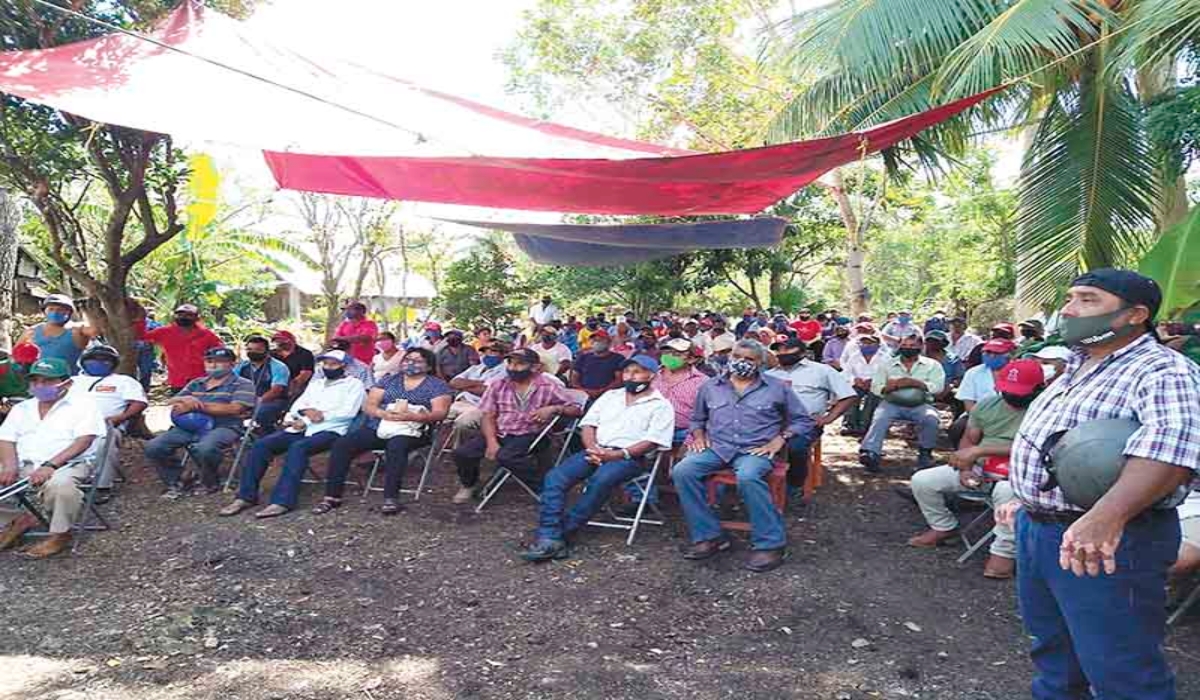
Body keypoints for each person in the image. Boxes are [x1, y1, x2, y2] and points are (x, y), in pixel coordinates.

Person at [995, 268, 1200, 700]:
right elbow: (1049, 441)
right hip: (1044, 530)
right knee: (1055, 656)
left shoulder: (1163, 370)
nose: (1069, 309)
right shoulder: (1074, 366)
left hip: (1111, 539)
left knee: (1120, 670)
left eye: (1088, 300)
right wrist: (1022, 494)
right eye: (1070, 298)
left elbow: (1171, 452)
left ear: (1134, 314)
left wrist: (1106, 517)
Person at [672, 339, 812, 573]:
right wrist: (698, 435)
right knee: (683, 471)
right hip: (718, 447)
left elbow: (802, 420)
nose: (741, 362)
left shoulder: (777, 387)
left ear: (761, 362)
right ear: (729, 357)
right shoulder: (711, 386)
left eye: (749, 359)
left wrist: (780, 439)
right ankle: (709, 535)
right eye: (737, 356)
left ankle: (770, 544)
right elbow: (697, 419)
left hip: (755, 449)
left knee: (748, 476)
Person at [520, 354, 675, 561]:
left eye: (637, 372)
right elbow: (588, 424)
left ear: (652, 376)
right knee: (555, 478)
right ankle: (550, 535)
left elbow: (652, 441)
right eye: (628, 371)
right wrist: (593, 448)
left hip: (628, 457)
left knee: (600, 480)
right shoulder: (611, 396)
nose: (631, 376)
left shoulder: (660, 405)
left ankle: (561, 533)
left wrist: (617, 454)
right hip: (595, 450)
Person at [907, 359, 1045, 579]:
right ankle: (944, 526)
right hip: (982, 467)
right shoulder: (987, 405)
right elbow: (968, 441)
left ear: (1040, 389)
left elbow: (1034, 447)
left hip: (1021, 473)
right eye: (1008, 390)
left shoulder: (1045, 411)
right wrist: (965, 468)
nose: (1013, 396)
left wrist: (979, 451)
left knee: (1006, 494)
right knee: (923, 481)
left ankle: (1003, 553)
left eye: (1019, 391)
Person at [220, 350, 365, 519]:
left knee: (298, 448)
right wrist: (301, 415)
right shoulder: (317, 383)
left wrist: (311, 418)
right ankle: (245, 496)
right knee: (262, 445)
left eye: (333, 364)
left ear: (344, 366)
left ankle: (282, 501)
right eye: (325, 363)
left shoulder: (354, 385)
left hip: (331, 430)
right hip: (300, 427)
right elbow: (299, 405)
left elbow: (347, 412)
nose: (327, 367)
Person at [313, 348, 453, 516]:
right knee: (343, 444)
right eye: (408, 359)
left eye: (417, 361)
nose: (410, 363)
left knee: (397, 445)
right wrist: (383, 413)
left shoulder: (437, 386)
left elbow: (440, 413)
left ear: (429, 366)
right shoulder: (388, 381)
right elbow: (369, 405)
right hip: (380, 426)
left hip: (413, 429)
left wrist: (414, 416)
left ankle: (391, 498)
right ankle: (332, 496)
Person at [0, 358, 107, 558]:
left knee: (60, 485)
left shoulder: (83, 406)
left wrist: (51, 465)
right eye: (35, 381)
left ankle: (60, 534)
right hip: (25, 462)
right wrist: (9, 465)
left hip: (68, 463)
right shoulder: (22, 408)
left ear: (67, 383)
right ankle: (17, 520)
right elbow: (6, 438)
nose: (40, 386)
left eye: (47, 381)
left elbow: (83, 441)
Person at [451, 348, 584, 504]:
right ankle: (469, 484)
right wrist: (492, 442)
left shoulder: (548, 386)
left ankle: (546, 488)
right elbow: (488, 415)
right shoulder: (497, 385)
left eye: (520, 364)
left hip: (532, 433)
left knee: (507, 456)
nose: (512, 368)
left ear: (535, 367)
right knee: (462, 453)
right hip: (501, 432)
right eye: (510, 363)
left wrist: (554, 408)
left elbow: (576, 409)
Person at [144, 347, 256, 499]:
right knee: (154, 446)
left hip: (224, 426)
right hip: (189, 426)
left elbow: (235, 408)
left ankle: (209, 481)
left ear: (232, 364)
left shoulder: (243, 383)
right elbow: (173, 400)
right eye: (209, 361)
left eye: (220, 362)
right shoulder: (197, 382)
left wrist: (198, 406)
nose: (213, 365)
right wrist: (184, 401)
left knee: (205, 448)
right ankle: (179, 478)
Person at [767, 338, 856, 500]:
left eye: (787, 351)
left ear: (801, 353)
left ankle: (794, 486)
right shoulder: (769, 375)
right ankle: (762, 482)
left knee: (796, 447)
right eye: (779, 351)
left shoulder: (821, 370)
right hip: (772, 424)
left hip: (807, 423)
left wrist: (829, 418)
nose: (782, 354)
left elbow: (848, 395)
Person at [859, 334, 945, 473]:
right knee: (880, 417)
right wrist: (889, 387)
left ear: (921, 347)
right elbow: (875, 386)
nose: (908, 349)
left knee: (931, 418)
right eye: (904, 346)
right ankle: (870, 452)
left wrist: (916, 383)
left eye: (912, 346)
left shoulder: (932, 365)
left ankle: (925, 452)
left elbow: (938, 387)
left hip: (920, 404)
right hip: (892, 403)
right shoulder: (887, 364)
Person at [67, 344, 148, 488]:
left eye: (105, 360)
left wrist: (121, 418)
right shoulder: (72, 381)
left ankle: (102, 486)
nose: (99, 362)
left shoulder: (124, 381)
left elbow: (139, 403)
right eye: (94, 359)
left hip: (108, 425)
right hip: (72, 424)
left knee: (105, 442)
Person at [142, 303, 224, 393]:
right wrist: (138, 319)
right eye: (180, 314)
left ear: (196, 318)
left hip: (202, 379)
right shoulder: (164, 332)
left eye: (188, 315)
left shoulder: (206, 334)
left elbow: (221, 352)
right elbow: (141, 336)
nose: (183, 317)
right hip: (178, 380)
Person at [447, 340, 511, 433]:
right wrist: (479, 382)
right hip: (462, 401)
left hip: (481, 406)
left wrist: (463, 385)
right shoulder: (476, 368)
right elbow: (453, 382)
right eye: (486, 351)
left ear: (502, 354)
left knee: (463, 423)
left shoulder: (505, 371)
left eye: (493, 352)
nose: (488, 354)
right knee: (441, 414)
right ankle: (437, 446)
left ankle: (460, 447)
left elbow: (486, 391)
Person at [17, 294, 96, 369]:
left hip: (68, 379)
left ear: (69, 312)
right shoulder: (32, 331)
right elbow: (16, 355)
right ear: (45, 311)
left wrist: (89, 309)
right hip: (37, 379)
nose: (55, 312)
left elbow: (96, 330)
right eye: (51, 309)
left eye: (60, 310)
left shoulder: (78, 329)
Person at [235, 335, 291, 431]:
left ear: (267, 351)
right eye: (249, 349)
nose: (252, 352)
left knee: (261, 412)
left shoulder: (279, 367)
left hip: (272, 400)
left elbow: (276, 391)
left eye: (257, 349)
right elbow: (231, 382)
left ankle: (266, 433)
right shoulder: (242, 366)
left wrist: (255, 403)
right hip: (246, 399)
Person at [839, 333, 886, 436]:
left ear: (878, 345)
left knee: (872, 399)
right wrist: (855, 380)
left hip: (876, 385)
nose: (866, 346)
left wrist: (873, 381)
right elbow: (847, 372)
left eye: (870, 343)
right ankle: (849, 425)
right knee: (851, 396)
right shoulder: (854, 356)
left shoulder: (885, 357)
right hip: (858, 384)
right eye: (864, 343)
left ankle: (865, 426)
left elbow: (887, 374)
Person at [956, 338, 1017, 412]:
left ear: (1011, 355)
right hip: (979, 415)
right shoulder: (973, 373)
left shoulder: (1019, 372)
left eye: (997, 353)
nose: (992, 356)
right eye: (988, 352)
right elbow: (969, 403)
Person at [570, 330, 624, 401]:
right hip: (583, 396)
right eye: (594, 340)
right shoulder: (583, 357)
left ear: (609, 342)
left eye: (600, 340)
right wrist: (584, 391)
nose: (596, 342)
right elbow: (574, 378)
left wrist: (601, 392)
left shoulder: (618, 358)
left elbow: (619, 380)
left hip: (609, 397)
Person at [270, 330, 315, 400]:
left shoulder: (304, 354)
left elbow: (305, 374)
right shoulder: (272, 354)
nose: (279, 343)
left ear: (291, 340)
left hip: (294, 386)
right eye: (277, 341)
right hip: (274, 383)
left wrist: (290, 388)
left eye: (282, 340)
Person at [922, 330, 965, 402]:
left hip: (947, 391)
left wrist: (949, 387)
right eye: (929, 340)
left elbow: (960, 378)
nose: (932, 343)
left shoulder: (953, 359)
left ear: (944, 343)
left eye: (935, 341)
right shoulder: (919, 357)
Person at [333, 301, 378, 366]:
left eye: (350, 309)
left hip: (364, 361)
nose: (347, 312)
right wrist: (351, 339)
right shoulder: (345, 324)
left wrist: (342, 339)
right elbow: (335, 339)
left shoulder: (370, 324)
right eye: (347, 309)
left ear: (361, 311)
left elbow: (365, 338)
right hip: (345, 360)